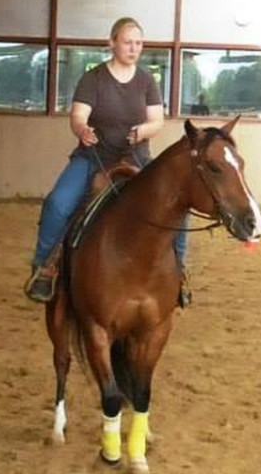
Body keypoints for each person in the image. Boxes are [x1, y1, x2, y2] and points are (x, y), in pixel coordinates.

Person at [24, 17, 190, 306]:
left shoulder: (146, 81)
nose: (134, 48)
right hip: (93, 157)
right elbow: (78, 116)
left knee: (178, 207)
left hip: (137, 157)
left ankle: (180, 273)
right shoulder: (94, 78)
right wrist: (82, 130)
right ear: (112, 43)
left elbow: (156, 120)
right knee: (58, 204)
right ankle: (44, 267)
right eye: (127, 42)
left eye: (138, 43)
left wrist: (144, 131)